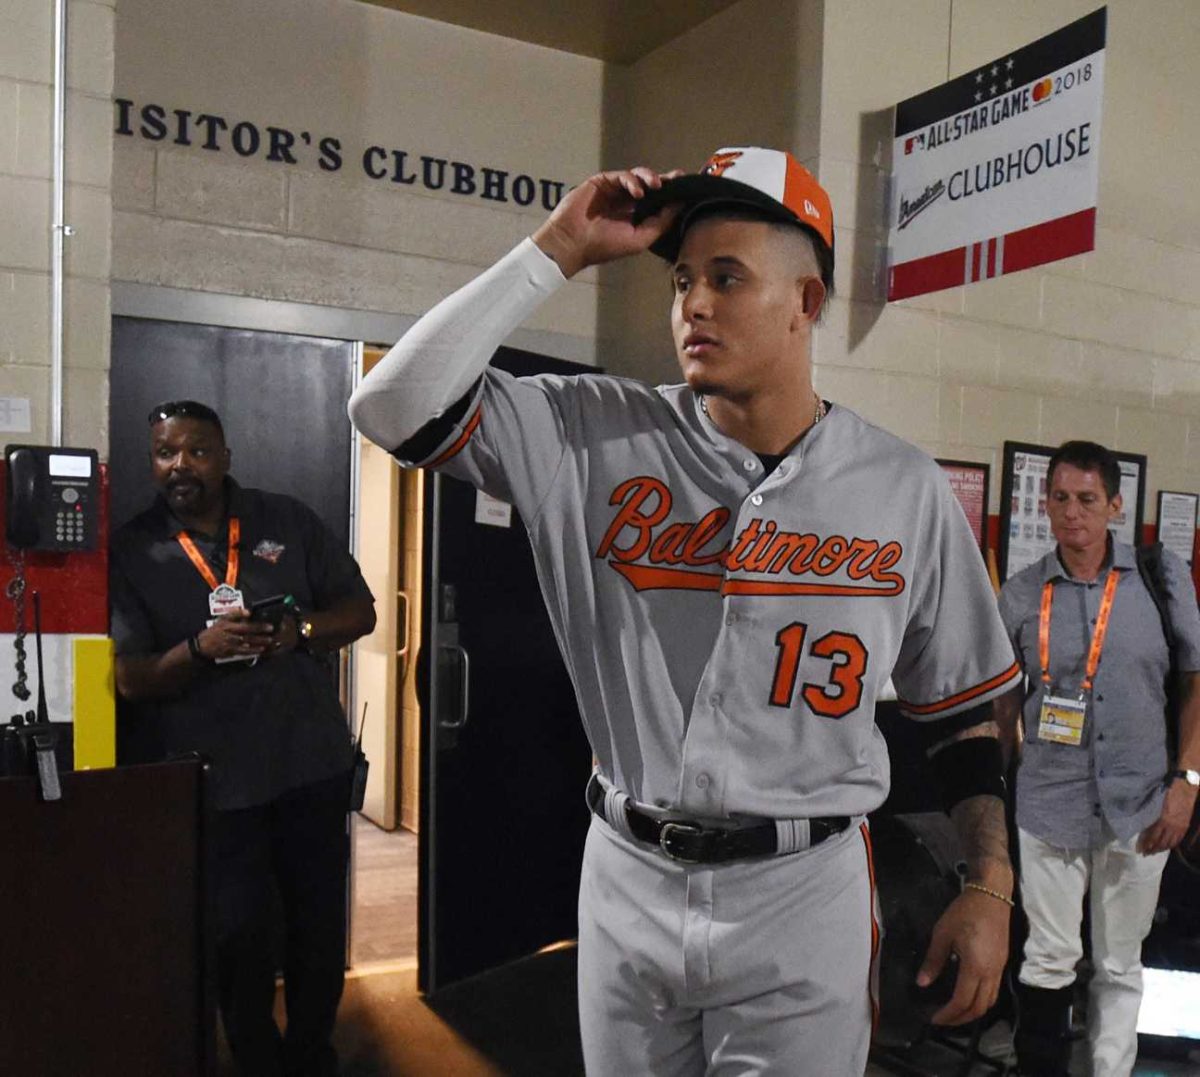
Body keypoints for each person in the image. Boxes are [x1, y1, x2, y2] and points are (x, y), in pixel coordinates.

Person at [350, 147, 1021, 1074]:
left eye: (728, 277)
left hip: (803, 888)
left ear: (807, 303)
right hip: (629, 871)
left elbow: (961, 716)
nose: (693, 304)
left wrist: (990, 883)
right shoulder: (590, 432)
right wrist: (557, 247)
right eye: (682, 280)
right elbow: (389, 403)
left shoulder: (902, 487)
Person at [110, 400, 376, 1077]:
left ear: (225, 456)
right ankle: (255, 1057)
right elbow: (131, 678)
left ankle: (313, 1053)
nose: (180, 466)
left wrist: (301, 632)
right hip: (217, 785)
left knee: (318, 928)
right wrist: (199, 648)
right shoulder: (132, 549)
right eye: (165, 453)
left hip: (311, 767)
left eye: (196, 450)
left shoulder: (286, 519)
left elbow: (360, 609)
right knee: (240, 938)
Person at [995, 440, 1200, 1077]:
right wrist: (1007, 782)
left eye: (1086, 499)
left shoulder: (1161, 580)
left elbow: (1197, 679)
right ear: (1044, 503)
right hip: (1049, 803)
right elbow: (1004, 700)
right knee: (1047, 959)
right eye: (1058, 498)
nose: (1071, 513)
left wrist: (1188, 782)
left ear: (1114, 505)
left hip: (1141, 805)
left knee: (1119, 964)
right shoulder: (1024, 594)